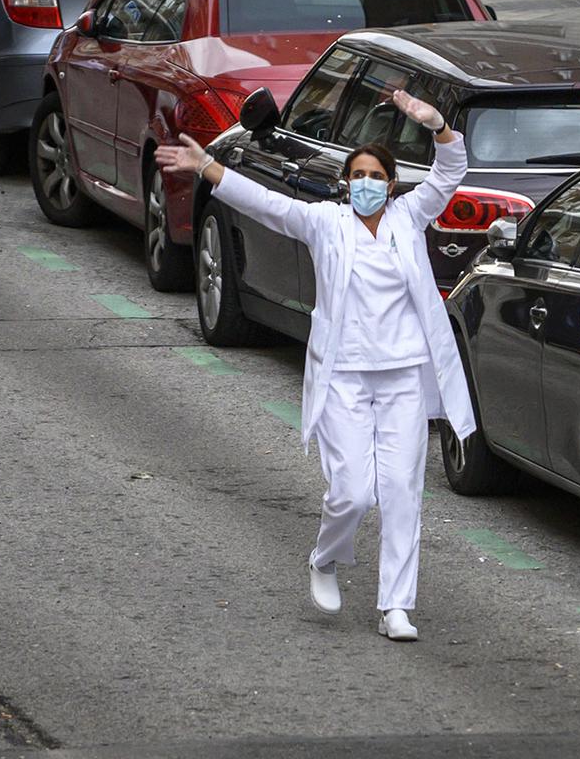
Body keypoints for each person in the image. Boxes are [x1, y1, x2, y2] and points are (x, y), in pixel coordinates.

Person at [154, 90, 474, 641]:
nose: (367, 184)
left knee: (401, 490)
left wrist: (436, 123)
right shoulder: (326, 223)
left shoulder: (409, 217)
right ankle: (325, 559)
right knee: (352, 491)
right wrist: (208, 167)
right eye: (358, 176)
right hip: (344, 378)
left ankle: (396, 605)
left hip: (403, 377)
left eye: (377, 175)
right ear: (346, 183)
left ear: (391, 184)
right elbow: (267, 205)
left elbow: (450, 172)